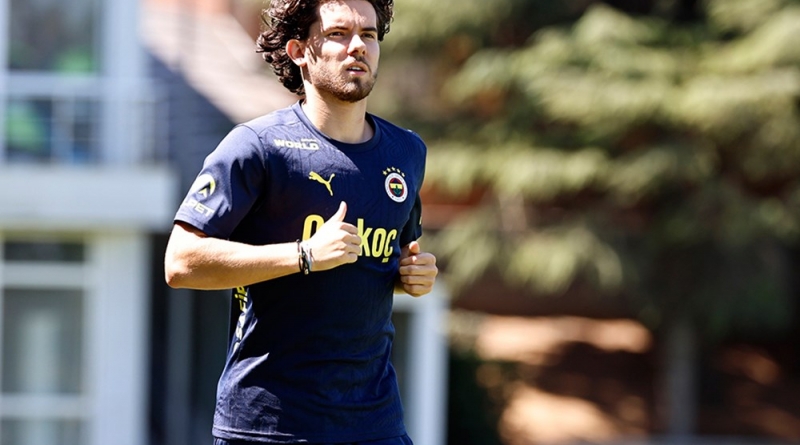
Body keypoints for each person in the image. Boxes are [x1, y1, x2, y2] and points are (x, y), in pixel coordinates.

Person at [163, 0, 438, 444]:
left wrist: (412, 277)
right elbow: (180, 262)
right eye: (338, 34)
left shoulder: (406, 152)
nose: (358, 47)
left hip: (375, 425)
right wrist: (304, 255)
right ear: (298, 51)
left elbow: (388, 261)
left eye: (369, 35)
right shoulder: (256, 146)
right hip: (268, 426)